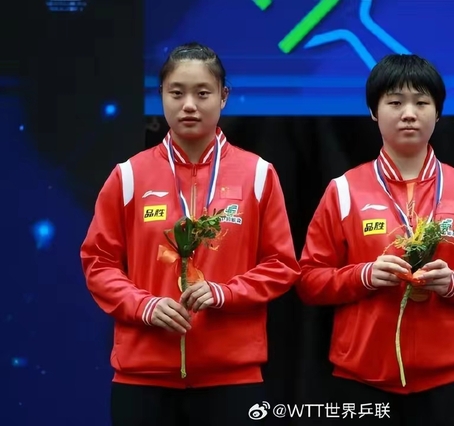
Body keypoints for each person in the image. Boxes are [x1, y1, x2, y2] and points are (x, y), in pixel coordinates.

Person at [80, 42, 300, 426]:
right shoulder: (129, 176)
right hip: (143, 377)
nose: (189, 106)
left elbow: (281, 264)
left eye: (202, 93)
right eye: (176, 93)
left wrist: (225, 293)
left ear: (223, 96)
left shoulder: (258, 174)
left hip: (232, 378)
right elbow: (98, 263)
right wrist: (144, 305)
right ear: (160, 95)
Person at [296, 54, 454, 425]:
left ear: (438, 112)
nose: (409, 114)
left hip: (449, 384)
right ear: (373, 111)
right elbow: (307, 281)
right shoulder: (344, 190)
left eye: (421, 102)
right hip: (362, 382)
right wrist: (363, 276)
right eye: (395, 102)